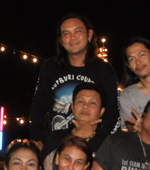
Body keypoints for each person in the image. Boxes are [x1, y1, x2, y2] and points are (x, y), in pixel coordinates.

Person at [30, 13, 121, 148]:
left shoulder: (104, 69)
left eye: (78, 31)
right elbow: (38, 107)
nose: (72, 37)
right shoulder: (50, 67)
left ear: (89, 35)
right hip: (57, 145)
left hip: (94, 146)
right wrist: (37, 140)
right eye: (66, 33)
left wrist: (95, 145)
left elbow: (113, 113)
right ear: (61, 40)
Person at [41, 82, 106, 170]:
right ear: (73, 107)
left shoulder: (108, 141)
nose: (85, 106)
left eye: (92, 103)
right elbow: (48, 168)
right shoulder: (55, 136)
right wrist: (76, 136)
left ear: (101, 111)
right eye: (81, 101)